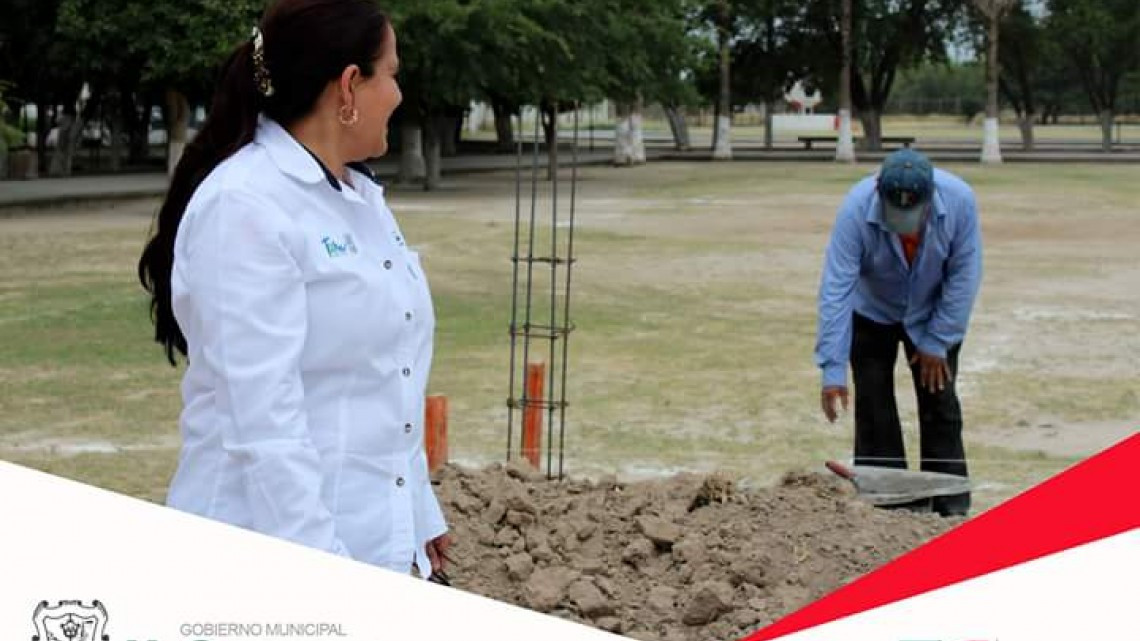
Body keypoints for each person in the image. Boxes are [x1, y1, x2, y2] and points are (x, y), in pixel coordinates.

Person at [137, 0, 451, 576]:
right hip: (266, 563)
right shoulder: (246, 205)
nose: (400, 95)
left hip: (370, 547)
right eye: (394, 74)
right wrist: (322, 576)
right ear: (350, 86)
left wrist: (415, 516)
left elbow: (391, 376)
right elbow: (265, 426)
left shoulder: (360, 198)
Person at [814, 148, 982, 517]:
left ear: (930, 197)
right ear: (878, 192)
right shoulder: (855, 210)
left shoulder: (960, 202)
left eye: (912, 213)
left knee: (940, 404)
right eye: (896, 212)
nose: (903, 221)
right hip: (872, 311)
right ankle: (887, 509)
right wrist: (832, 368)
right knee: (874, 407)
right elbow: (836, 288)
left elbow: (964, 275)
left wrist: (938, 340)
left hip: (932, 312)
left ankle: (950, 507)